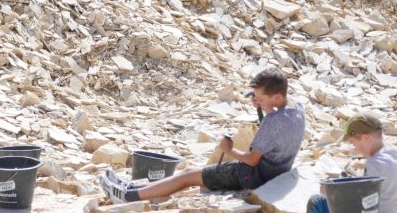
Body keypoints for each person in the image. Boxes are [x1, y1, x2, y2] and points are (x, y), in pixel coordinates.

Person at [99, 68, 305, 204]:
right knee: (190, 172)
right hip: (276, 172)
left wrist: (229, 150)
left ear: (276, 96)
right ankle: (132, 186)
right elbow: (277, 123)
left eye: (260, 98)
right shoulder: (297, 108)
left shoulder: (273, 121)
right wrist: (264, 106)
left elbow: (251, 160)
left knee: (188, 175)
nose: (256, 102)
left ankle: (129, 195)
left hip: (253, 176)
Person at [305, 113, 397, 213]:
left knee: (316, 202)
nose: (355, 148)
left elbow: (366, 205)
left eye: (354, 143)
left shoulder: (374, 163)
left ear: (365, 138)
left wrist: (336, 192)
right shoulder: (396, 152)